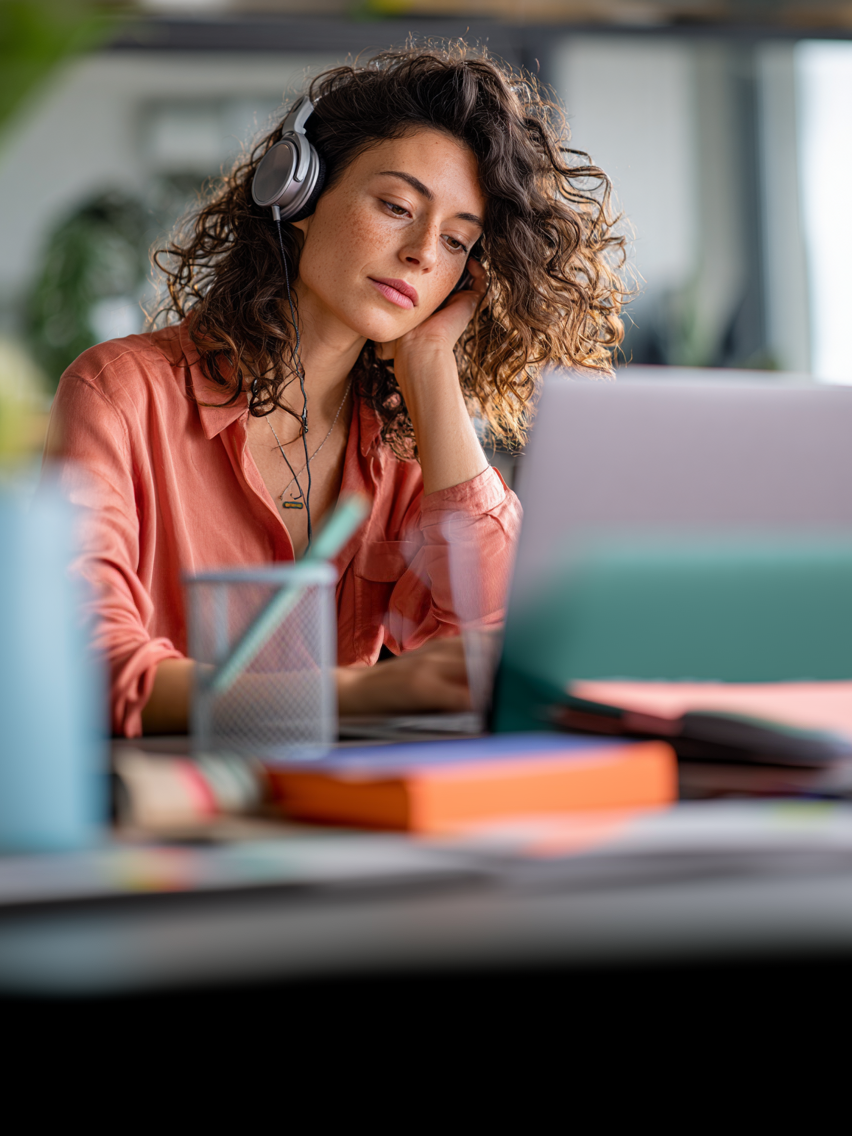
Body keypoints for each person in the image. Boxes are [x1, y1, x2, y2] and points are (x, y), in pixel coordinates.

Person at [44, 45, 626, 737]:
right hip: (160, 809)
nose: (421, 252)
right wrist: (355, 693)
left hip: (337, 815)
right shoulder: (121, 395)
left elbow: (501, 641)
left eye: (457, 243)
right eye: (396, 205)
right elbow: (88, 666)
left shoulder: (407, 452)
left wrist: (430, 362)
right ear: (298, 194)